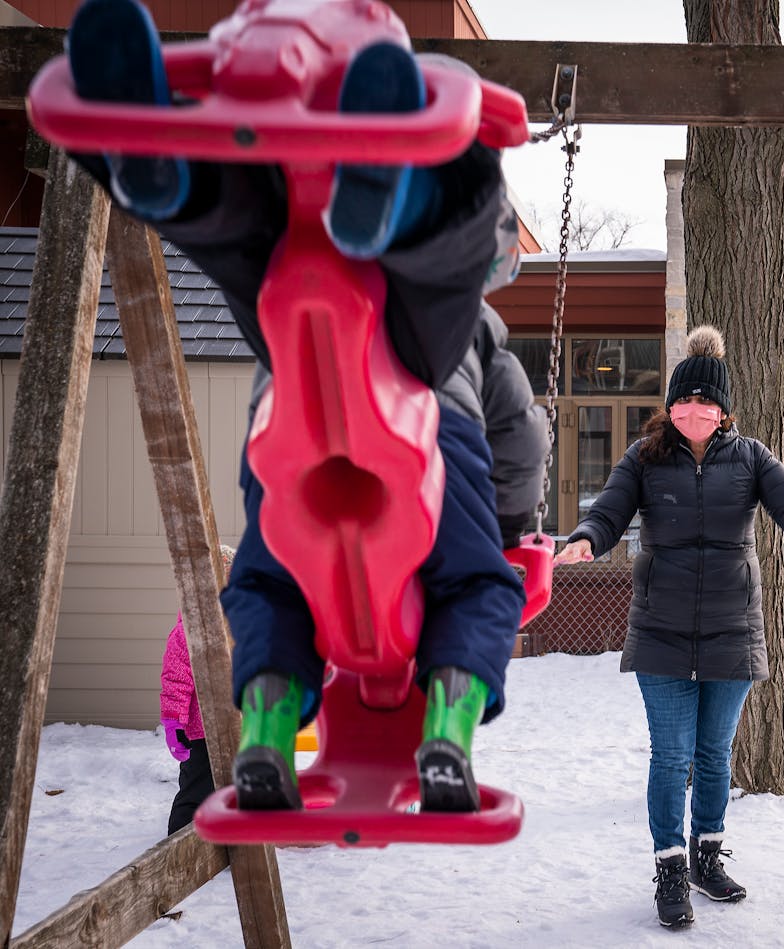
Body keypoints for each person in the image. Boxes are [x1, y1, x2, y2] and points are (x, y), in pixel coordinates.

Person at [64, 0, 545, 814]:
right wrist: (508, 528)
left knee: (265, 581)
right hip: (431, 423)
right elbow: (521, 436)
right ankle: (447, 736)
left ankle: (172, 181)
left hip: (289, 399)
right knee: (480, 587)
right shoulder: (480, 326)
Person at [552, 325, 784, 929]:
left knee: (715, 757)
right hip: (661, 630)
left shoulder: (750, 457)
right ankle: (669, 870)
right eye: (685, 402)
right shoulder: (644, 457)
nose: (695, 411)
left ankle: (707, 858)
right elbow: (609, 509)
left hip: (731, 630)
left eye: (706, 403)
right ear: (670, 407)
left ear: (723, 410)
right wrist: (587, 539)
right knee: (671, 758)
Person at [160, 545, 236, 834]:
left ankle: (231, 842)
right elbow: (175, 679)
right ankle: (179, 842)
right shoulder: (188, 630)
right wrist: (172, 721)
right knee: (196, 788)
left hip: (234, 725)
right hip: (199, 729)